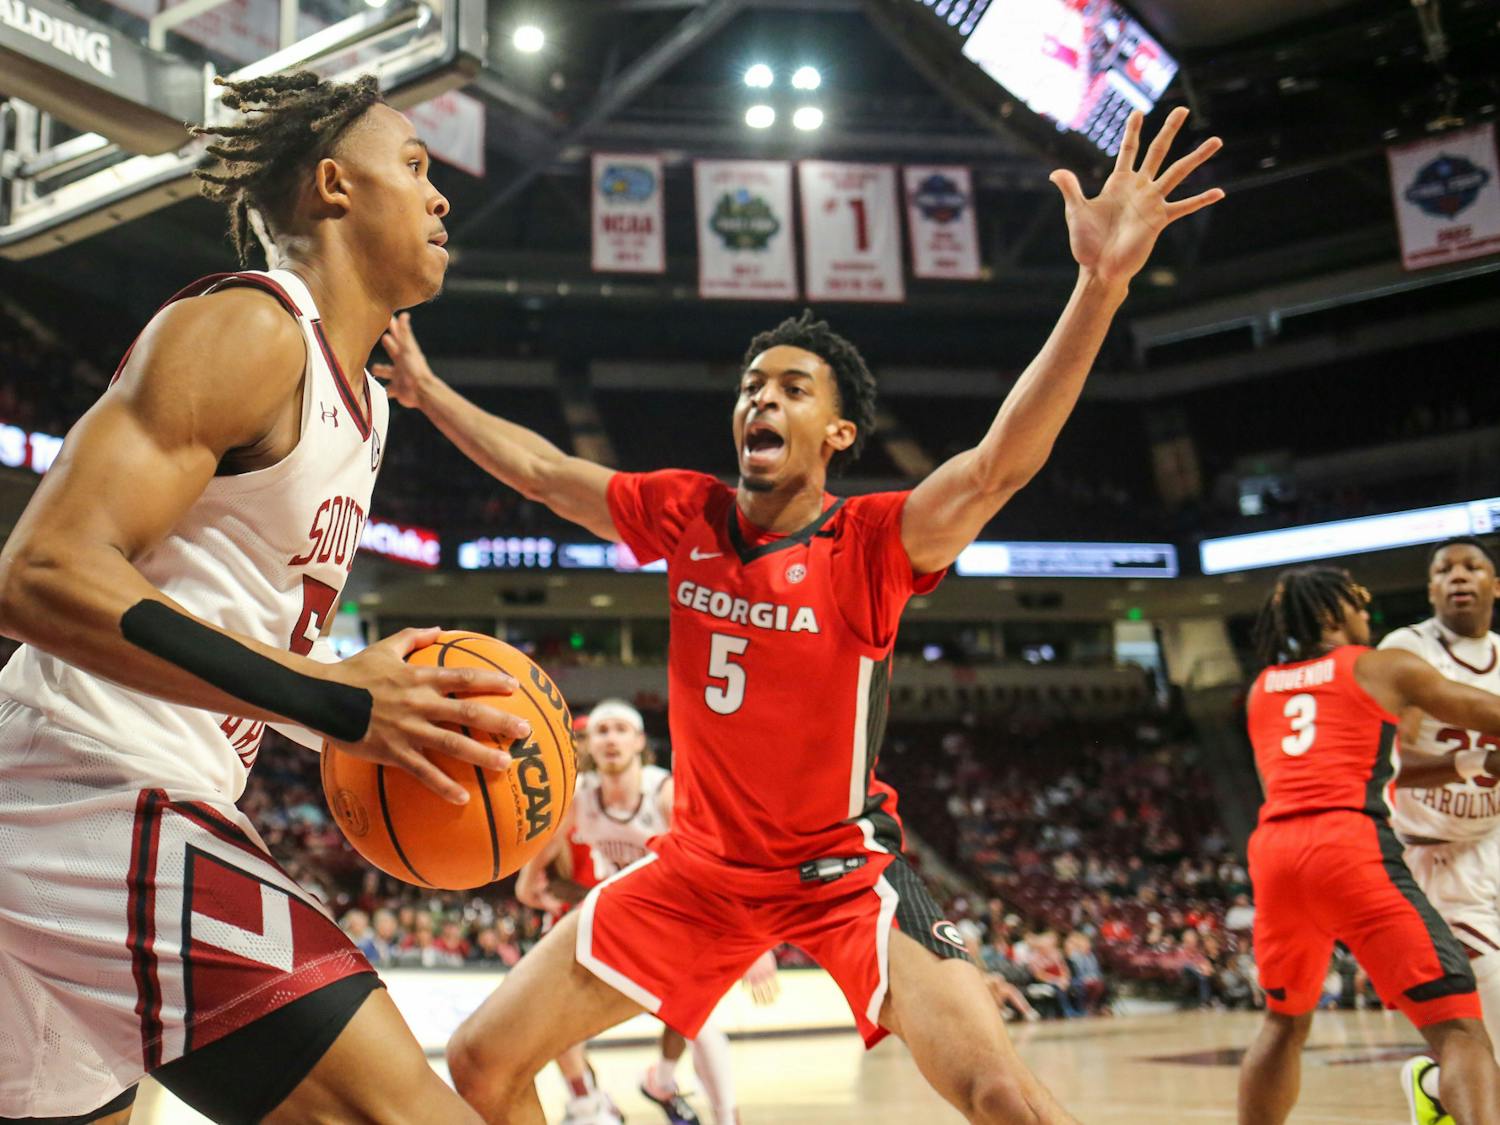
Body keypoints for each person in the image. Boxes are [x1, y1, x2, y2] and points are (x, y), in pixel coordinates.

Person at [382, 108, 1225, 1125]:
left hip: (838, 874)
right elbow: (549, 473)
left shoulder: (874, 540)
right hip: (693, 872)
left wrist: (1101, 285)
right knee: (478, 1063)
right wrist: (427, 391)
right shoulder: (687, 511)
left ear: (837, 432)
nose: (759, 401)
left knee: (1005, 1095)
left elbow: (1004, 461)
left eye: (788, 387)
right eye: (749, 387)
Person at [0, 71, 531, 1124]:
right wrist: (337, 700)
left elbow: (216, 617)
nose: (441, 200)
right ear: (335, 186)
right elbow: (40, 573)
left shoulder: (365, 408)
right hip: (92, 784)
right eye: (416, 169)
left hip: (86, 806)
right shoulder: (252, 330)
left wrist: (351, 699)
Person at [1237, 565, 1500, 1125]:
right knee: (1459, 1027)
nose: (1367, 615)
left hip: (1275, 852)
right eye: (1359, 604)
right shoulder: (1377, 666)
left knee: (1284, 1022)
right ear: (1333, 615)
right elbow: (1483, 712)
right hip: (1347, 844)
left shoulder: (1262, 689)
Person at [515, 699, 761, 1125]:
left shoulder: (664, 793)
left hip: (675, 916)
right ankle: (588, 1103)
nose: (610, 738)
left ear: (639, 742)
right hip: (619, 916)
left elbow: (721, 864)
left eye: (620, 730)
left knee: (696, 1019)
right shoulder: (580, 799)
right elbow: (529, 880)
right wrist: (537, 888)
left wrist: (756, 945)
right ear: (588, 744)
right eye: (602, 730)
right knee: (546, 1007)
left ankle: (710, 1107)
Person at [1377, 538, 1500, 1120]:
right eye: (1443, 570)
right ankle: (1435, 1085)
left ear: (1495, 586)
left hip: (1494, 839)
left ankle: (1432, 1084)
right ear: (1429, 590)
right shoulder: (1408, 649)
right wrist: (1473, 763)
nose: (1459, 577)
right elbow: (1391, 747)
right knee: (1493, 1011)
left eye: (1473, 567)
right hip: (1434, 855)